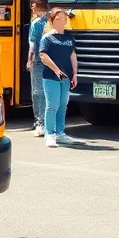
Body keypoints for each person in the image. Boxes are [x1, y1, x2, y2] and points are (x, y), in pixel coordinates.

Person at [38, 8, 79, 148]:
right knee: (52, 106)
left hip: (66, 77)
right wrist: (56, 70)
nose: (62, 21)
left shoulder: (69, 37)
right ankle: (49, 134)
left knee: (63, 106)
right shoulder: (47, 37)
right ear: (51, 21)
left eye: (64, 19)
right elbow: (43, 56)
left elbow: (72, 56)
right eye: (58, 19)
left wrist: (75, 74)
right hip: (51, 77)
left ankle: (60, 133)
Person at [25, 0, 50, 137]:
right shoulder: (53, 20)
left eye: (33, 5)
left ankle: (39, 122)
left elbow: (33, 44)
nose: (31, 8)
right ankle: (49, 122)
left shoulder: (36, 23)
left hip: (39, 61)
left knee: (37, 91)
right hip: (52, 61)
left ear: (39, 5)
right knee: (50, 91)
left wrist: (30, 60)